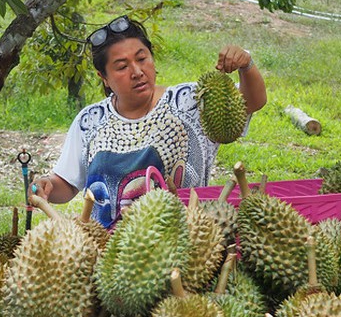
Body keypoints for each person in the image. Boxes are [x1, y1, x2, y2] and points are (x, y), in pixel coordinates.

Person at [29, 15, 267, 227]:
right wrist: (47, 185)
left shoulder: (190, 102)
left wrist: (246, 65)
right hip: (103, 250)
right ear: (104, 78)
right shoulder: (90, 122)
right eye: (122, 67)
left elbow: (253, 101)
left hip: (184, 244)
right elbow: (68, 183)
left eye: (142, 59)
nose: (137, 71)